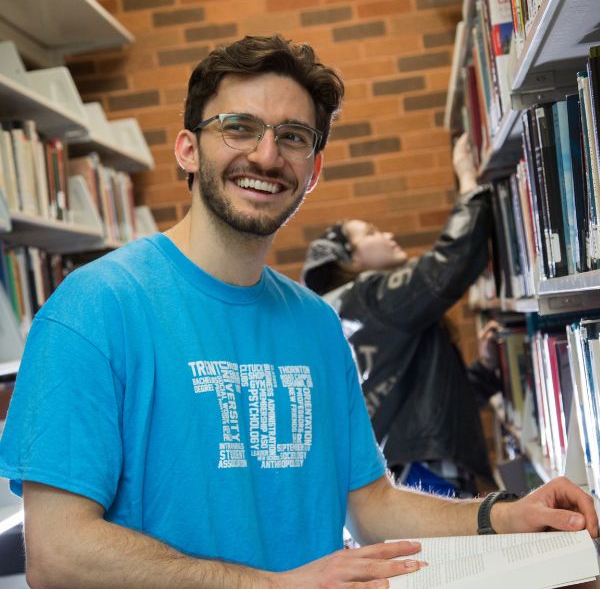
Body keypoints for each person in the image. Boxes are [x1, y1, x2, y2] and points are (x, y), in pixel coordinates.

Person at [0, 35, 596, 589]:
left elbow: (371, 506)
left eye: (292, 136)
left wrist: (504, 514)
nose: (265, 155)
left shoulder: (315, 323)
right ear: (187, 149)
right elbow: (57, 553)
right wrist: (274, 587)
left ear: (312, 171)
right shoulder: (94, 308)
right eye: (239, 128)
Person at [300, 136, 503, 493]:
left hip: (402, 475)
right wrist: (468, 182)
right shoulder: (369, 296)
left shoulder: (337, 314)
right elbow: (450, 264)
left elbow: (426, 406)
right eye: (372, 233)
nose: (389, 235)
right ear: (348, 258)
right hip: (426, 475)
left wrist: (485, 372)